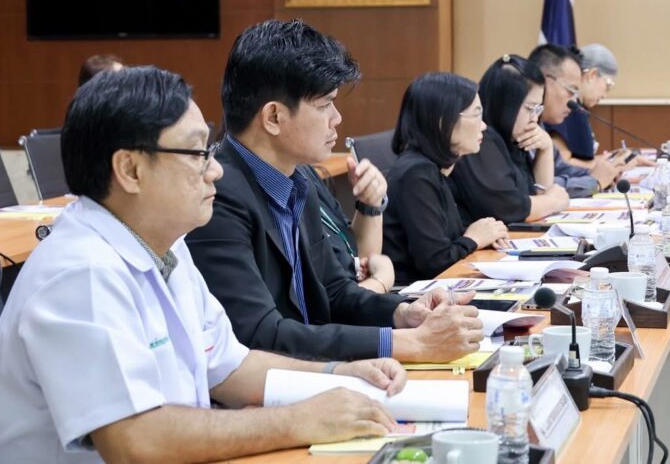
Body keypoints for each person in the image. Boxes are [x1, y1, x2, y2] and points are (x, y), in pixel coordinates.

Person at [0, 66, 407, 463]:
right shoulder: (80, 272)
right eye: (198, 153)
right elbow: (134, 442)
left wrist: (340, 375)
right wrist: (299, 419)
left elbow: (231, 368)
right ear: (130, 170)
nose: (215, 171)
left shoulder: (167, 245)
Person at [186, 19, 484, 362]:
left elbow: (334, 289)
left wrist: (403, 313)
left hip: (319, 368)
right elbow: (260, 334)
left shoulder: (299, 177)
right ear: (273, 117)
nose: (337, 118)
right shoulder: (217, 197)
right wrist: (410, 344)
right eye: (325, 104)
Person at [382, 72, 509, 285]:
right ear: (443, 121)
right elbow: (436, 262)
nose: (484, 126)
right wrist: (474, 239)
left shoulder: (433, 168)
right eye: (476, 115)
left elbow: (445, 241)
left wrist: (484, 234)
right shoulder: (416, 174)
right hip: (418, 295)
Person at [449, 55, 569, 225]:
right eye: (530, 108)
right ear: (505, 104)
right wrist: (553, 202)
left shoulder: (513, 140)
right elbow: (508, 209)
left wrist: (546, 149)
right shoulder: (480, 140)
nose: (535, 119)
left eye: (538, 109)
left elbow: (538, 200)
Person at [528, 44, 621, 197]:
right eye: (570, 90)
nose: (573, 102)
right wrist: (594, 182)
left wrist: (602, 174)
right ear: (545, 81)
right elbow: (535, 186)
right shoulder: (520, 125)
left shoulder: (539, 124)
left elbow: (560, 167)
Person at [306, 164, 397, 294]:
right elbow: (327, 301)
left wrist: (371, 202)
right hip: (358, 300)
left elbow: (361, 260)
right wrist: (381, 281)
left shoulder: (305, 173)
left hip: (362, 297)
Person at [546, 43, 617, 163]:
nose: (604, 96)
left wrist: (614, 161)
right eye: (608, 86)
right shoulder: (566, 107)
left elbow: (582, 160)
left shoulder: (579, 108)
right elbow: (562, 164)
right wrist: (610, 166)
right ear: (592, 75)